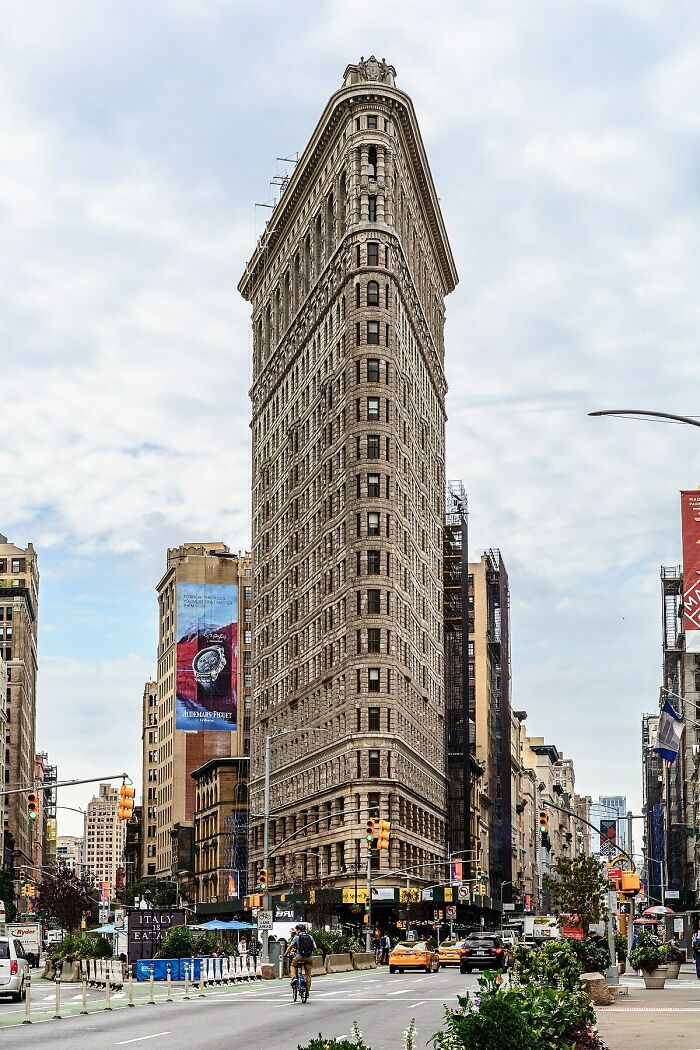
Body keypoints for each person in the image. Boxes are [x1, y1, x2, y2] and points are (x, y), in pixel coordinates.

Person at [285, 924, 317, 996]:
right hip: (309, 958)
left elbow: (290, 947)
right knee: (308, 975)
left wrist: (285, 954)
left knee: (293, 965)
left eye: (296, 930)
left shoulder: (297, 937)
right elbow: (315, 947)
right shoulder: (310, 937)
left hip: (299, 957)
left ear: (298, 930)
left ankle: (294, 978)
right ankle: (307, 992)